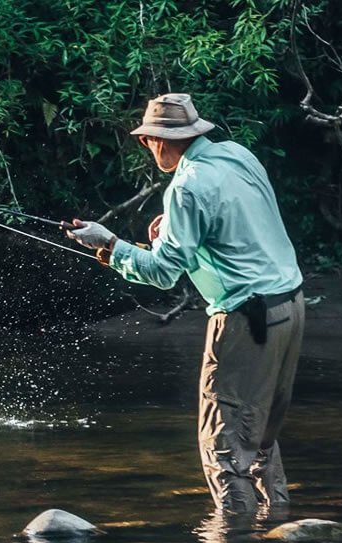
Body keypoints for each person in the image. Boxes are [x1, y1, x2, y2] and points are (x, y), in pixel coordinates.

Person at [64, 93, 304, 513]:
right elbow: (237, 228)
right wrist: (175, 233)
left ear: (153, 140)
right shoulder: (237, 156)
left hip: (247, 319)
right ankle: (279, 531)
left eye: (148, 140)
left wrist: (109, 245)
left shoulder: (187, 187)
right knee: (261, 432)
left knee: (224, 445)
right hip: (291, 307)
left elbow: (162, 273)